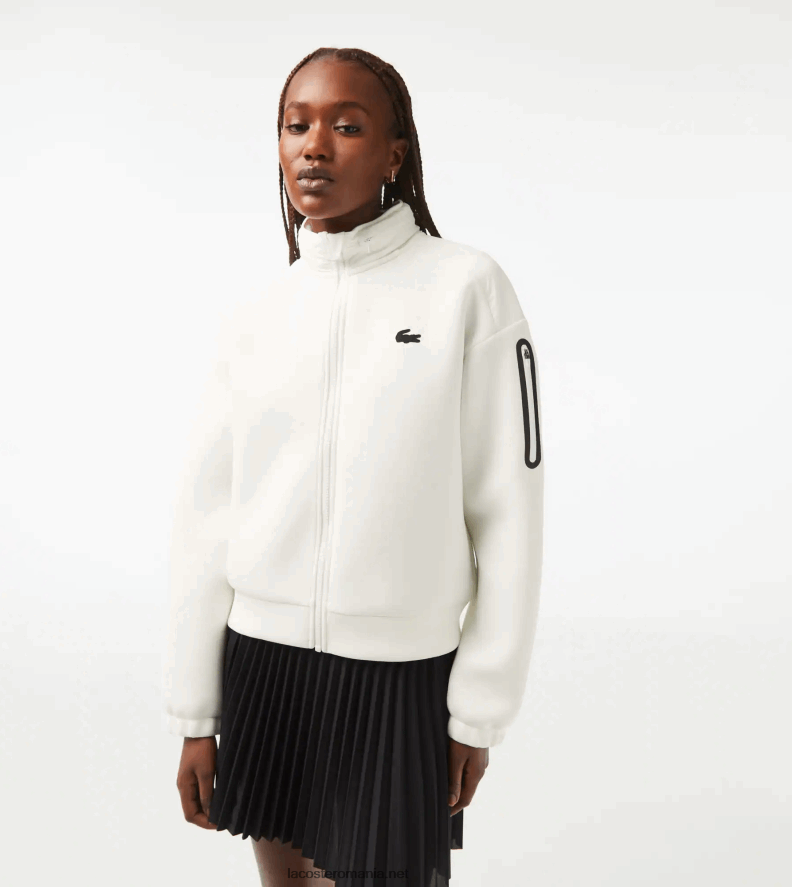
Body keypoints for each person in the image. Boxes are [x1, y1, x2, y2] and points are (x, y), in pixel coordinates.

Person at [162, 46, 545, 887]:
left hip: (400, 676)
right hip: (262, 667)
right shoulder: (258, 312)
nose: (313, 146)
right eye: (295, 125)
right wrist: (195, 709)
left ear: (394, 153)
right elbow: (207, 515)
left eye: (345, 126)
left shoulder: (466, 289)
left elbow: (508, 512)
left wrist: (478, 709)